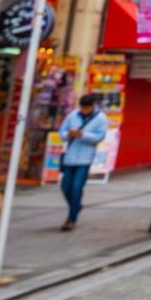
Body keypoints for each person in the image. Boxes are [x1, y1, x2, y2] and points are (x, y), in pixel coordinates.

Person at [55, 94, 109, 232]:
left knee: (77, 186)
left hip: (85, 158)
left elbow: (100, 137)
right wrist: (68, 134)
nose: (84, 110)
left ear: (92, 106)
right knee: (65, 187)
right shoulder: (73, 115)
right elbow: (62, 131)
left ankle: (71, 218)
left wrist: (83, 135)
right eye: (82, 107)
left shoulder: (101, 119)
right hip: (69, 157)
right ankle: (76, 205)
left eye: (87, 107)